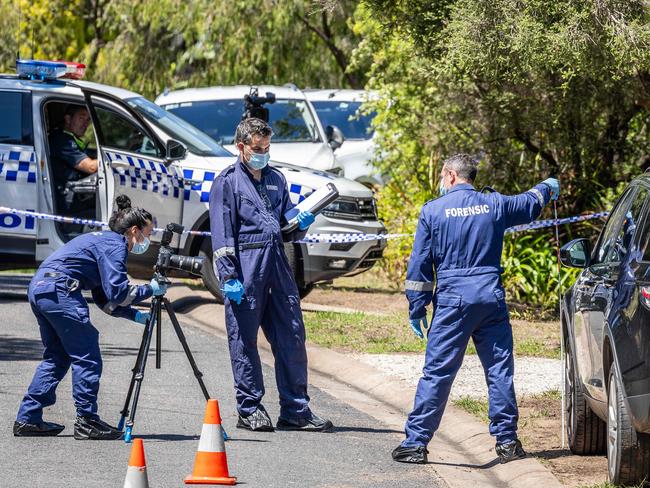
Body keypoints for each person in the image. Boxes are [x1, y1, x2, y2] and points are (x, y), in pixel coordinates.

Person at [391, 154, 560, 464]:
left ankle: (416, 443)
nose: (442, 183)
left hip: (453, 301)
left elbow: (419, 265)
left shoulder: (433, 211)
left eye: (443, 177)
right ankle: (507, 443)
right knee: (499, 371)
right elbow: (529, 202)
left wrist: (417, 307)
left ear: (451, 176)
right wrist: (548, 187)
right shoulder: (494, 204)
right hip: (490, 299)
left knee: (438, 373)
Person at [209, 117, 333, 432]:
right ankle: (249, 409)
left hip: (277, 263)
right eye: (258, 148)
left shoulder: (276, 178)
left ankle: (295, 410)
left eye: (267, 147)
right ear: (241, 147)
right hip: (246, 267)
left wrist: (300, 221)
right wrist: (229, 276)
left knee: (292, 335)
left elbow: (286, 222)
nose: (264, 153)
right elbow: (222, 235)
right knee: (244, 340)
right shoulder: (227, 182)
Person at [14, 195, 167, 440]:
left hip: (42, 288)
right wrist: (150, 289)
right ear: (134, 230)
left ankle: (28, 418)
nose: (148, 241)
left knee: (58, 356)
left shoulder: (101, 240)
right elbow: (119, 292)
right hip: (60, 290)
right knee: (87, 355)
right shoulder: (115, 245)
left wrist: (136, 315)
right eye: (148, 235)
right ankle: (87, 421)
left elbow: (104, 300)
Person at [49, 105, 98, 213]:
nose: (86, 124)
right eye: (81, 118)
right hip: (67, 201)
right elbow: (90, 167)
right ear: (68, 119)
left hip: (75, 194)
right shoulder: (62, 141)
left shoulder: (70, 138)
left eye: (87, 120)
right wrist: (113, 159)